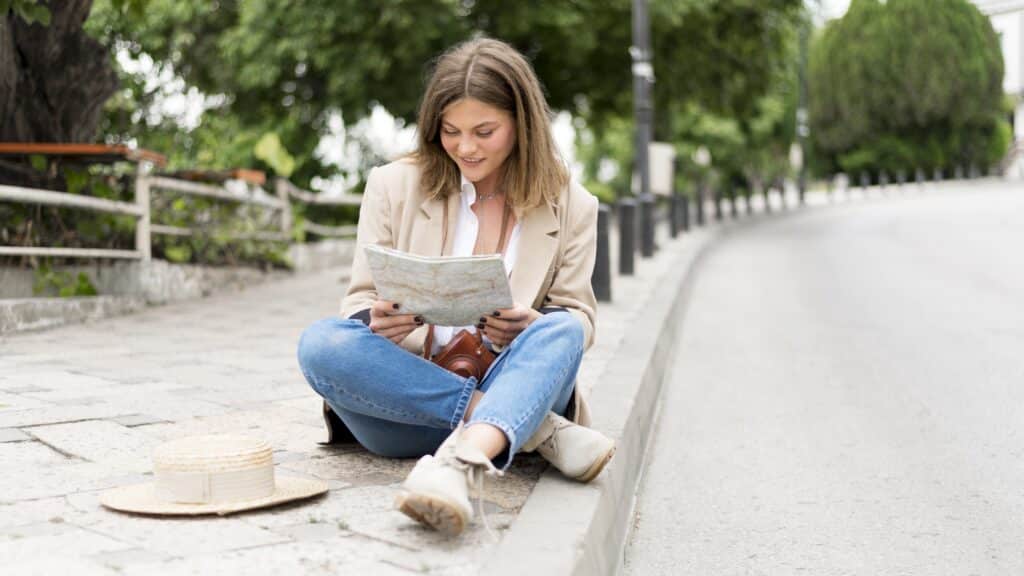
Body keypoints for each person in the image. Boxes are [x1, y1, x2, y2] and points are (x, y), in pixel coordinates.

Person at [297, 37, 614, 537]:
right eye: (451, 131)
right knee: (321, 343)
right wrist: (375, 321)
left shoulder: (572, 205)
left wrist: (533, 323)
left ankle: (460, 465)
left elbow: (579, 316)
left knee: (562, 331)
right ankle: (535, 432)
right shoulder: (393, 185)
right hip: (405, 405)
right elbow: (358, 301)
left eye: (485, 131)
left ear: (522, 125)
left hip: (511, 375)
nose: (466, 147)